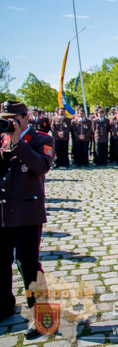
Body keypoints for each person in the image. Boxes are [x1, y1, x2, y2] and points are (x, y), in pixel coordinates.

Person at [0, 100, 55, 339]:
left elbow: (40, 167)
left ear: (25, 118)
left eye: (12, 118)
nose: (8, 123)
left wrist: (18, 143)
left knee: (28, 264)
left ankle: (43, 317)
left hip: (27, 212)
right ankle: (4, 306)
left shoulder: (42, 139)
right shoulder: (2, 139)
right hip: (3, 210)